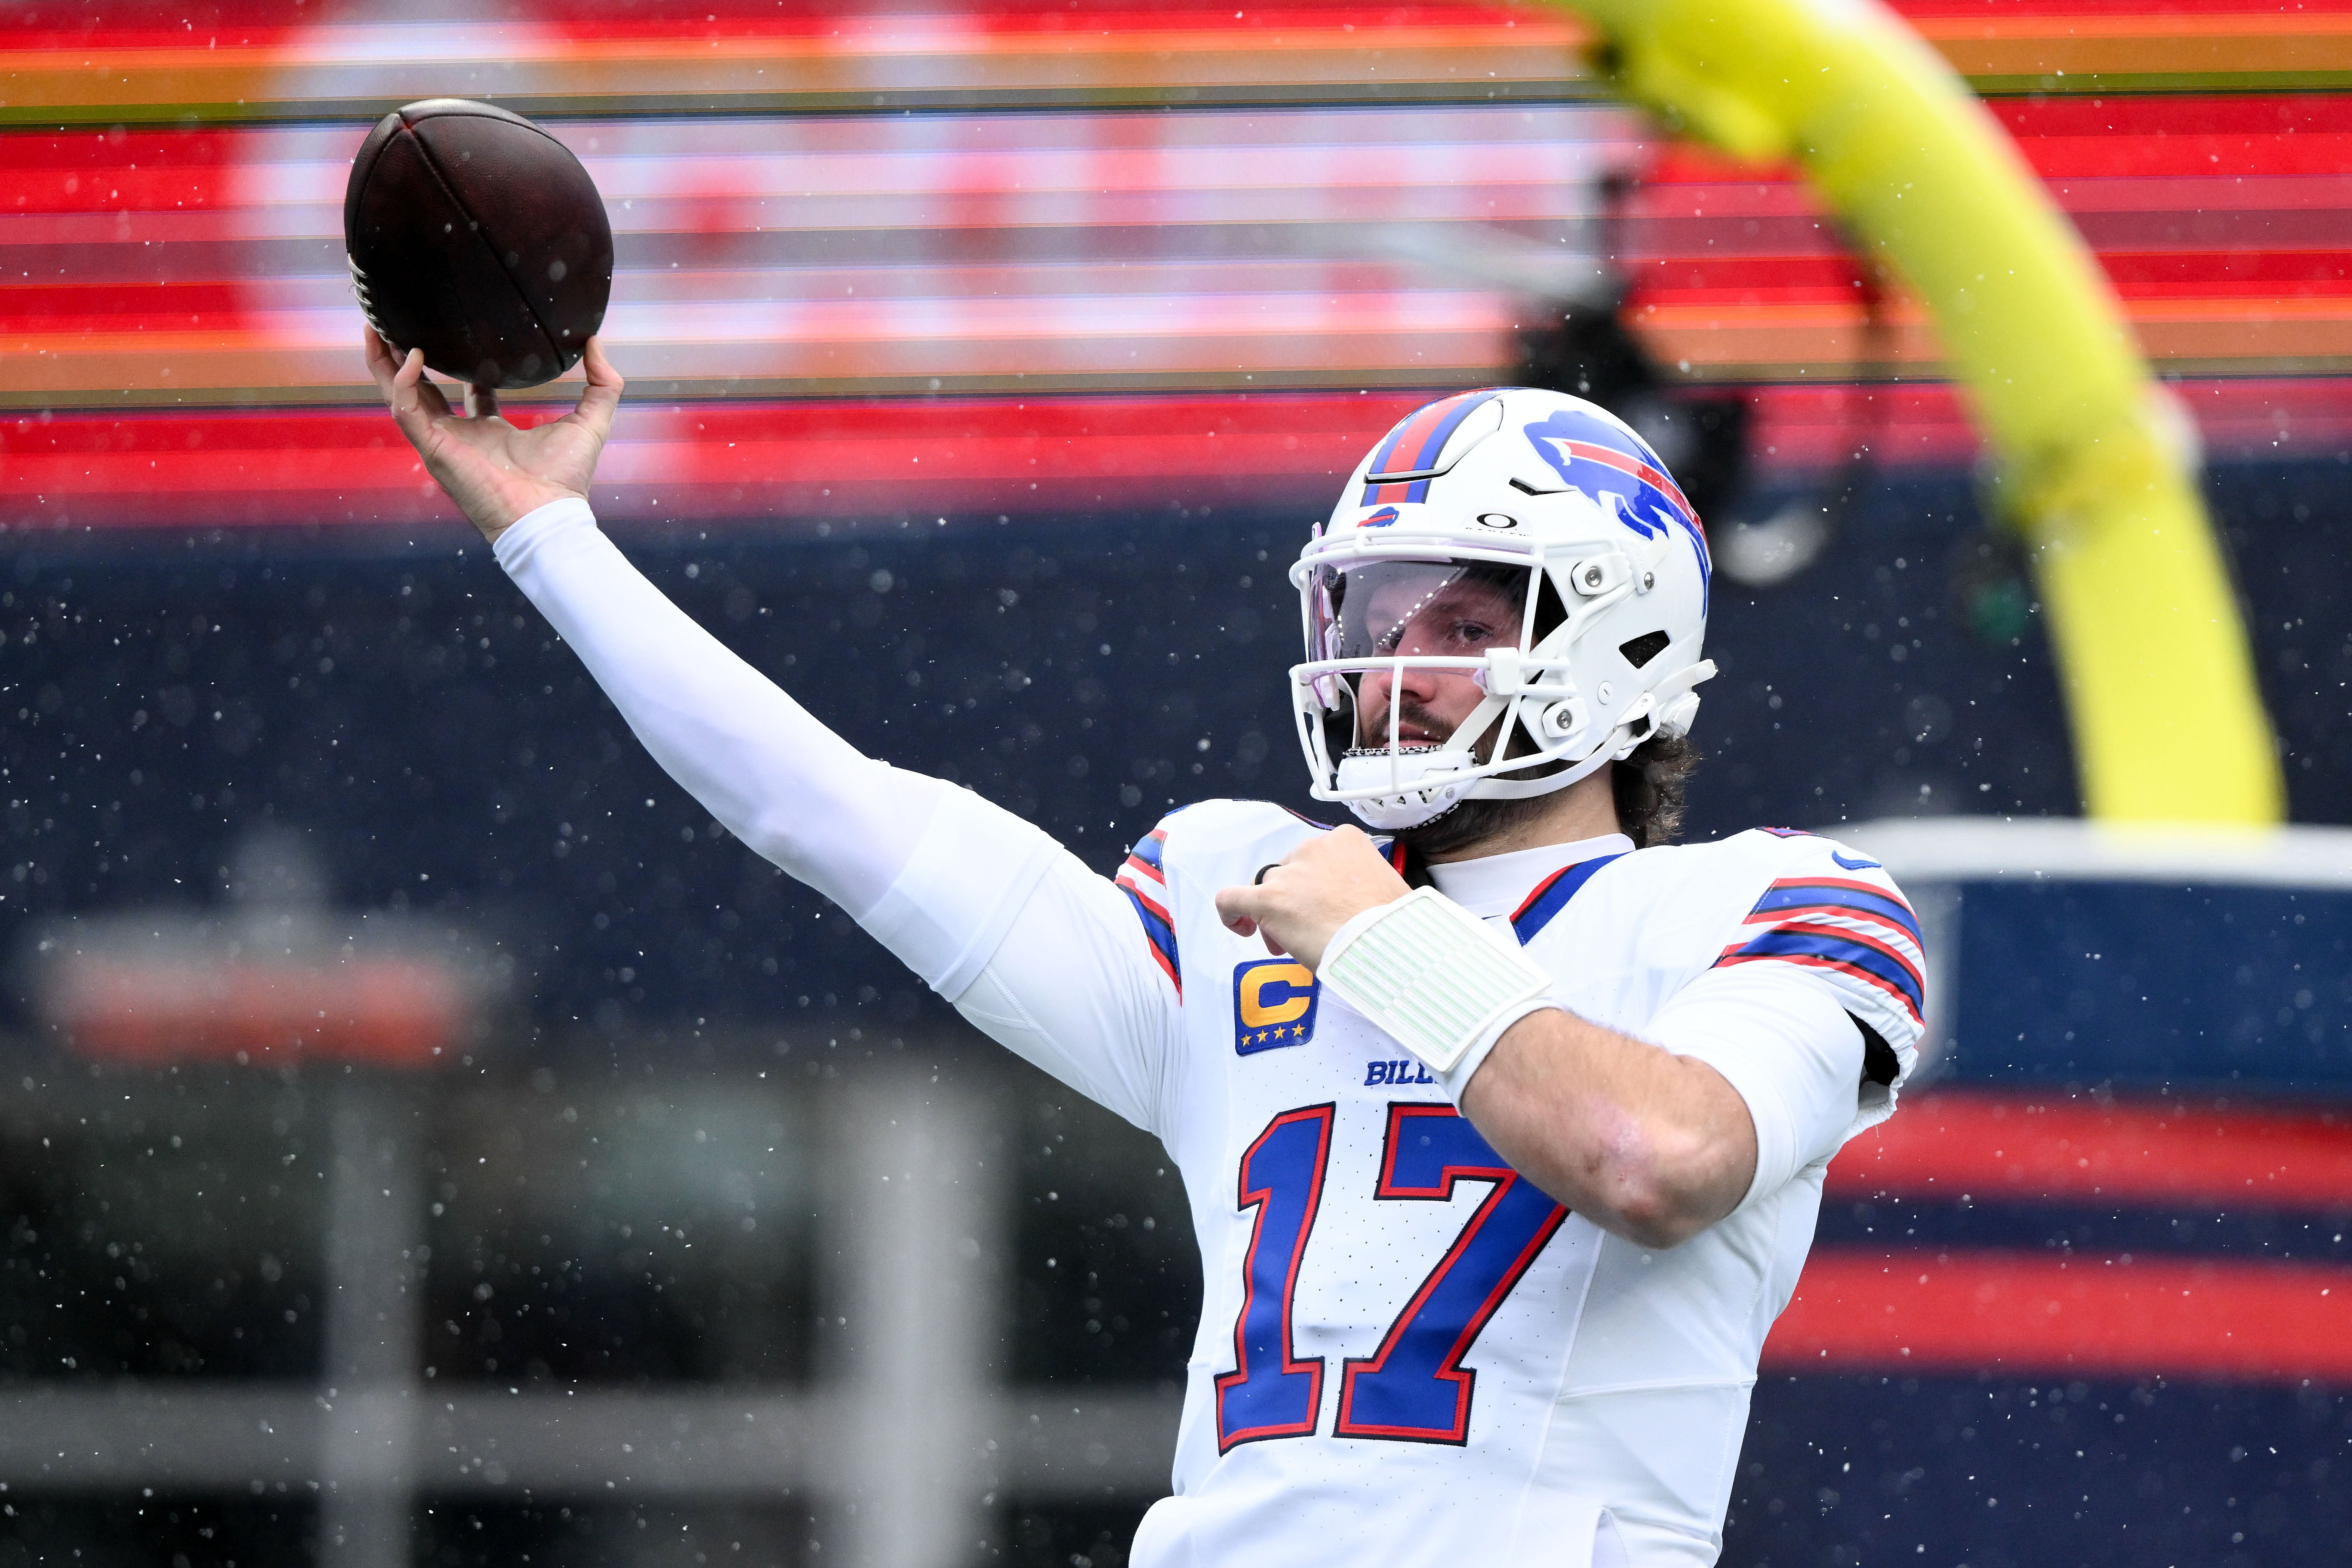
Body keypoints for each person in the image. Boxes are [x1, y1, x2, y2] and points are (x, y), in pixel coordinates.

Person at [365, 329, 1921, 1568]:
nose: (1394, 672)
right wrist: (550, 537)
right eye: (1378, 617)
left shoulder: (1760, 905)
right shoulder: (1241, 897)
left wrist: (1386, 944)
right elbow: (826, 813)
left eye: (1463, 623)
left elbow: (1656, 1159)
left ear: (1621, 634)